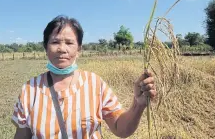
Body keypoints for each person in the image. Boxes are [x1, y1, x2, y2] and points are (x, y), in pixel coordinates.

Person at [11, 15, 157, 139]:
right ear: (45, 47)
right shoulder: (30, 90)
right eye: (55, 42)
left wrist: (138, 105)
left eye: (69, 43)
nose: (62, 49)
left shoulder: (95, 84)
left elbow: (120, 129)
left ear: (79, 49)